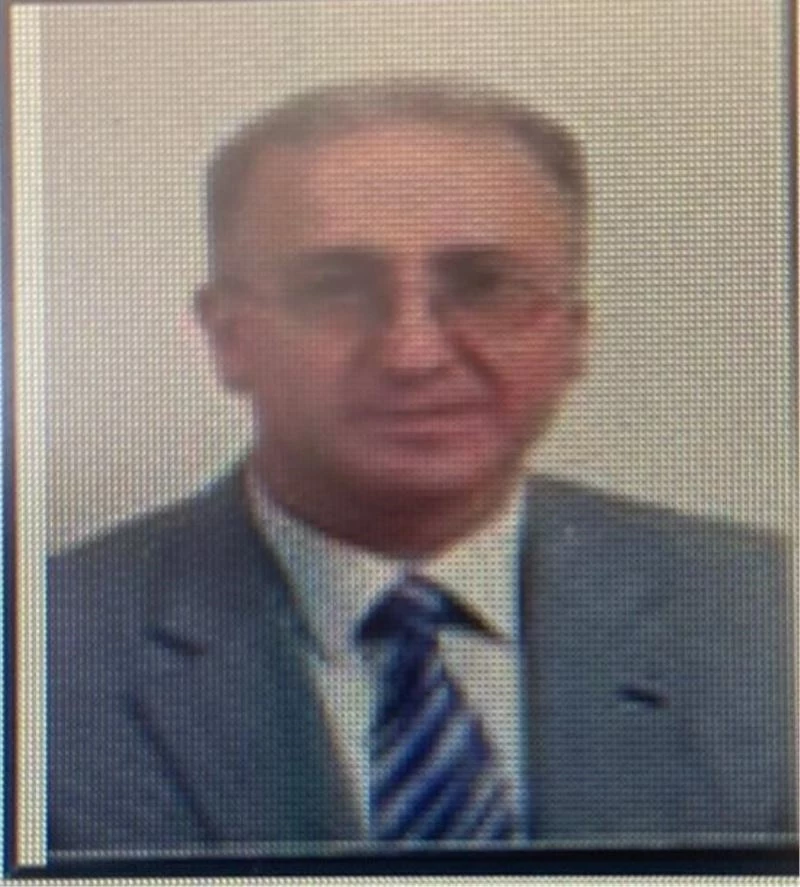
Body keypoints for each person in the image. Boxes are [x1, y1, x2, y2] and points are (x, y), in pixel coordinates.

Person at [47, 79, 795, 855]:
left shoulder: (761, 613)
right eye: (335, 290)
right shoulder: (43, 655)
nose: (413, 354)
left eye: (486, 287)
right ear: (227, 337)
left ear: (573, 334)